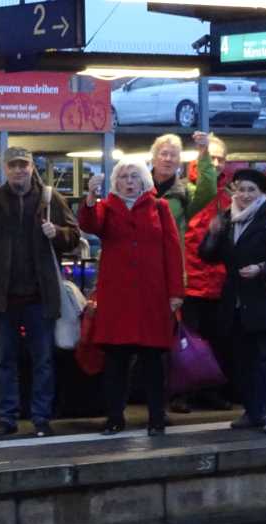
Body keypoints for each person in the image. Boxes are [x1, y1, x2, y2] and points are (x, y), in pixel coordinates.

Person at [0, 146, 81, 438]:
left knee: (43, 360)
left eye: (23, 165)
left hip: (39, 296)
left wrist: (59, 234)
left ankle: (41, 418)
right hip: (2, 297)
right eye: (13, 165)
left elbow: (74, 236)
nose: (18, 170)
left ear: (31, 168)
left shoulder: (51, 197)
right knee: (5, 360)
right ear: (6, 168)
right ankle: (8, 418)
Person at [78, 160, 185, 436]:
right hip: (117, 298)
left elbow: (173, 251)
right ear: (115, 182)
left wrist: (176, 292)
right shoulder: (106, 207)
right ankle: (114, 417)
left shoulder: (159, 208)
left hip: (153, 295)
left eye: (134, 177)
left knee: (153, 362)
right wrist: (90, 197)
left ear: (143, 181)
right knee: (116, 362)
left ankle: (157, 417)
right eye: (123, 177)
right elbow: (89, 224)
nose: (128, 181)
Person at [200, 169, 266, 433]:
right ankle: (254, 412)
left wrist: (262, 269)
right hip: (237, 303)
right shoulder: (227, 220)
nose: (244, 195)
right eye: (241, 189)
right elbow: (208, 256)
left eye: (251, 190)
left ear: (261, 194)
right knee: (244, 362)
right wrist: (213, 234)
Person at [179, 134, 234, 412]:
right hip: (190, 280)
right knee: (187, 341)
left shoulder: (230, 195)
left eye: (220, 159)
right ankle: (183, 394)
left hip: (219, 281)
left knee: (216, 340)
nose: (216, 163)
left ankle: (211, 391)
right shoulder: (186, 190)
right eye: (210, 157)